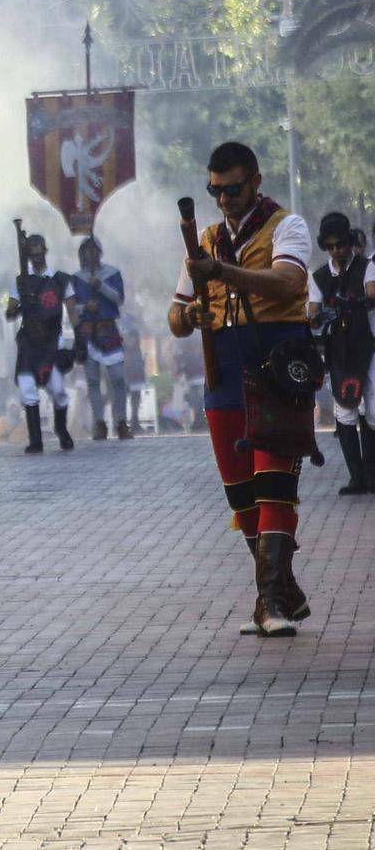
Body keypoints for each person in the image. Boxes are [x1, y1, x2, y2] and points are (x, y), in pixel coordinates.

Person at [168, 141, 314, 638]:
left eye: (232, 189)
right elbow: (175, 315)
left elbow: (288, 284)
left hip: (277, 371)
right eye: (215, 190)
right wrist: (189, 314)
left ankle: (272, 602)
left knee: (275, 486)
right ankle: (277, 594)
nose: (224, 199)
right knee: (242, 496)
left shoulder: (287, 226)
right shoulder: (203, 239)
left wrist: (223, 273)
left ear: (254, 181)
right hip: (224, 375)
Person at [306, 211, 373, 496]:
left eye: (341, 245)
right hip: (340, 351)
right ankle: (357, 478)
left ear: (349, 243)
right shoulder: (319, 276)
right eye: (331, 246)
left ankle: (371, 476)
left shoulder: (367, 267)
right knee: (344, 410)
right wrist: (318, 317)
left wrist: (354, 303)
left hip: (368, 346)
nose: (337, 251)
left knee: (372, 410)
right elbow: (312, 312)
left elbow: (371, 295)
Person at [7, 232, 75, 453]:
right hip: (29, 344)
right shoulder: (20, 281)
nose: (36, 258)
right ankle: (35, 439)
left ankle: (61, 429)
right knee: (28, 390)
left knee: (58, 391)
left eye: (39, 254)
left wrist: (79, 340)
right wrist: (19, 307)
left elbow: (73, 311)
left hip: (51, 343)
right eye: (32, 255)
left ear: (45, 252)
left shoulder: (61, 279)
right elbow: (10, 312)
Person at [71, 238, 131, 440]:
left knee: (118, 378)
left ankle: (121, 421)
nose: (90, 255)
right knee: (93, 380)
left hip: (108, 329)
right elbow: (72, 308)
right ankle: (99, 423)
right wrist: (85, 307)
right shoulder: (77, 278)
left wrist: (101, 286)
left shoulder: (112, 273)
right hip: (88, 332)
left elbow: (119, 298)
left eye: (93, 251)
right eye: (86, 252)